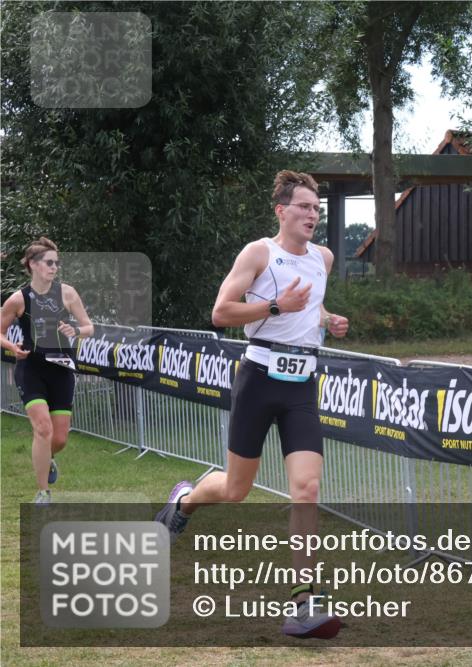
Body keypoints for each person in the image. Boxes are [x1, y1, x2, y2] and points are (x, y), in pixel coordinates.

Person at [155, 171, 350, 639]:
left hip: (303, 384)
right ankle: (184, 499)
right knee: (237, 490)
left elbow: (311, 308)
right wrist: (276, 307)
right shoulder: (259, 253)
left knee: (306, 489)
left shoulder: (322, 258)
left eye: (316, 207)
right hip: (258, 379)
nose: (312, 214)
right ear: (281, 211)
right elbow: (221, 313)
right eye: (304, 206)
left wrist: (328, 319)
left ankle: (305, 602)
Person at [0, 237, 93, 504]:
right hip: (31, 368)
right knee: (43, 429)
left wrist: (76, 330)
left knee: (59, 438)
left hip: (61, 368)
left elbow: (89, 327)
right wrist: (11, 347)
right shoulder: (18, 299)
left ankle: (48, 458)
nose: (54, 267)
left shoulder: (67, 293)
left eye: (56, 263)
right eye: (49, 262)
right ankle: (43, 492)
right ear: (33, 265)